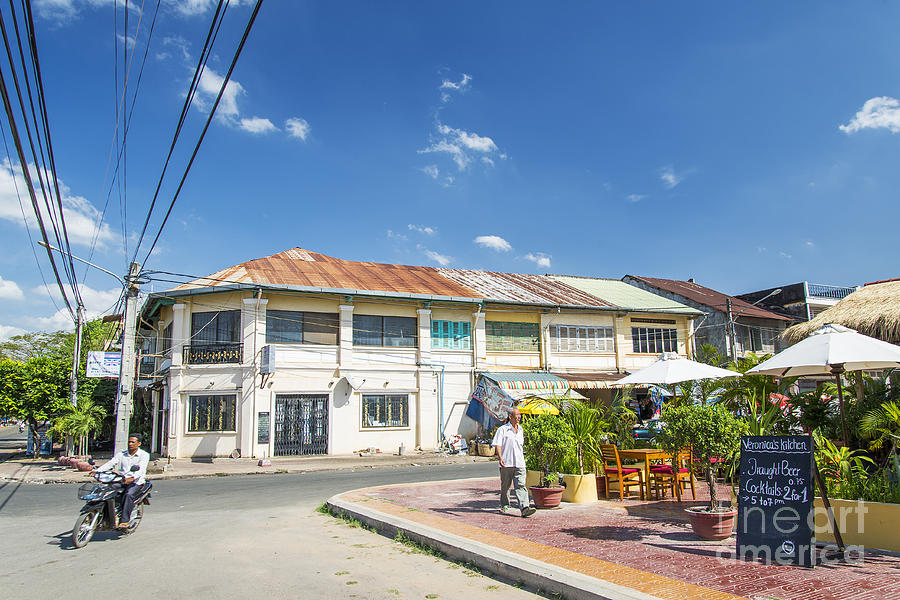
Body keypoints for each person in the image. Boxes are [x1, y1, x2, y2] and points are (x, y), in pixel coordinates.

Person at [94, 433, 150, 528]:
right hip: (122, 480)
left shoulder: (144, 455)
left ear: (139, 444)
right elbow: (111, 463)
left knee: (128, 495)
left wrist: (132, 478)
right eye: (129, 442)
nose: (130, 444)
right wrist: (97, 470)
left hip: (136, 482)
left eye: (133, 442)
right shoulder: (121, 454)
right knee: (107, 491)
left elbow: (141, 470)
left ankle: (124, 521)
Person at [491, 407, 536, 517]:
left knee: (520, 485)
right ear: (510, 416)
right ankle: (505, 504)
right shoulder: (502, 430)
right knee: (505, 486)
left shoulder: (520, 430)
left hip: (519, 463)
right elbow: (498, 444)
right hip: (507, 463)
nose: (519, 417)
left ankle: (524, 508)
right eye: (517, 415)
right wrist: (500, 457)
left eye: (520, 415)